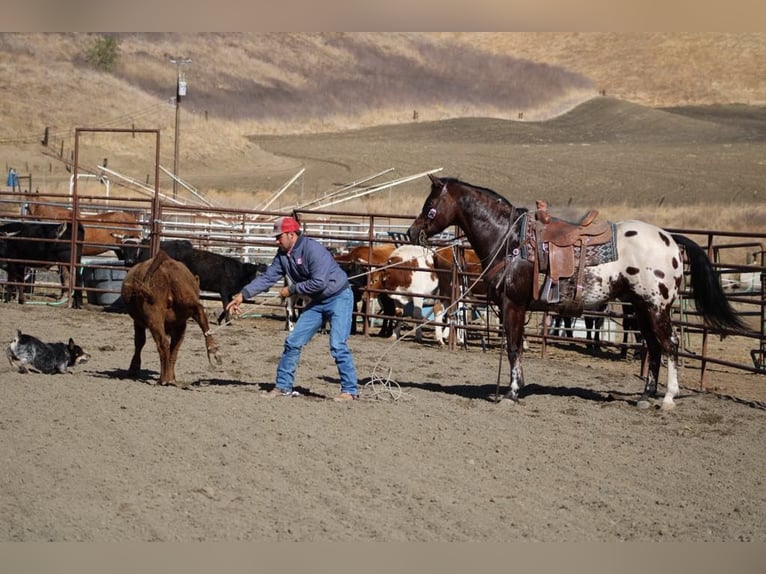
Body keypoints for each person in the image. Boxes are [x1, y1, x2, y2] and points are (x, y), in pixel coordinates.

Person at [226, 216, 359, 401]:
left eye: (279, 236)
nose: (276, 240)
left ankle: (350, 390)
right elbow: (267, 278)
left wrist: (292, 289)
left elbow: (319, 282)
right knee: (293, 341)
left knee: (338, 345)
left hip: (339, 297)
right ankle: (283, 386)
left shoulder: (313, 250)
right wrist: (243, 295)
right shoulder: (282, 256)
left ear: (291, 235)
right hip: (318, 301)